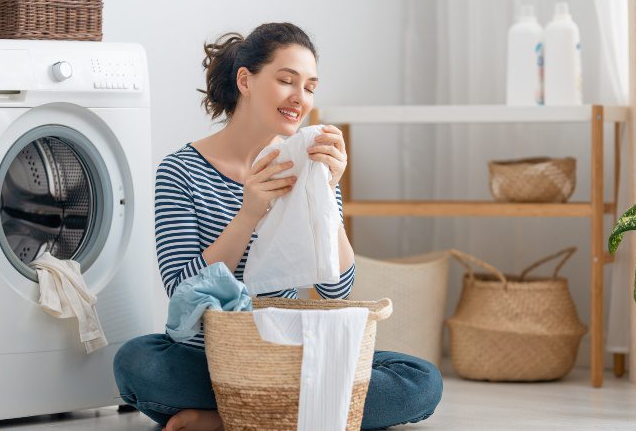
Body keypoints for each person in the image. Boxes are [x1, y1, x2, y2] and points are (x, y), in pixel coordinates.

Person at [113, 22, 442, 431]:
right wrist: (249, 213)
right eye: (287, 81)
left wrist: (327, 193)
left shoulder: (309, 167)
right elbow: (183, 293)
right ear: (245, 80)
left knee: (422, 380)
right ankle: (299, 412)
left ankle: (230, 418)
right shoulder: (181, 171)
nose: (299, 98)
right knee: (137, 363)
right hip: (213, 358)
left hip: (292, 354)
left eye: (310, 87)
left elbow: (334, 289)